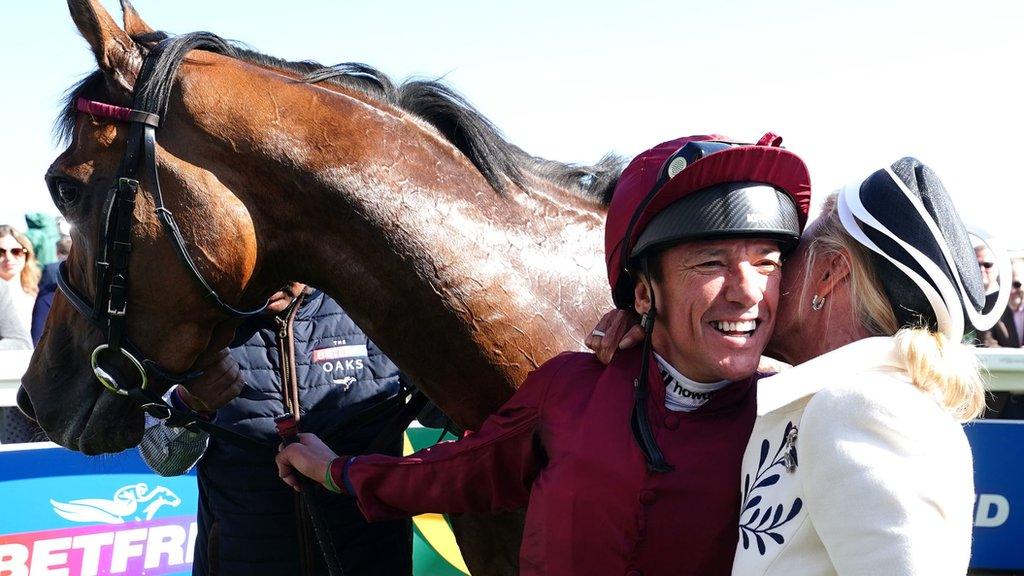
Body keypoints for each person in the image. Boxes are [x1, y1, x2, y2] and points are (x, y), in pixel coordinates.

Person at [275, 133, 812, 576]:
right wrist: (335, 472)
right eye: (710, 263)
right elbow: (457, 471)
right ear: (644, 293)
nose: (748, 292)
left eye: (768, 263)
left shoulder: (800, 416)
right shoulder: (571, 386)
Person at [592, 157, 995, 575]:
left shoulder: (860, 408)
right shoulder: (849, 399)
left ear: (829, 271)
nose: (758, 283)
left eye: (788, 250)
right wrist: (658, 325)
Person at [138, 284, 413, 576]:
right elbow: (163, 460)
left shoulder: (374, 309)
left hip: (372, 561)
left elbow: (449, 416)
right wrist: (189, 405)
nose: (269, 284)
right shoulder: (205, 325)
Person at [0, 225, 40, 335]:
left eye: (16, 251)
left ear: (27, 254)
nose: (8, 258)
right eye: (0, 252)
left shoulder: (38, 293)